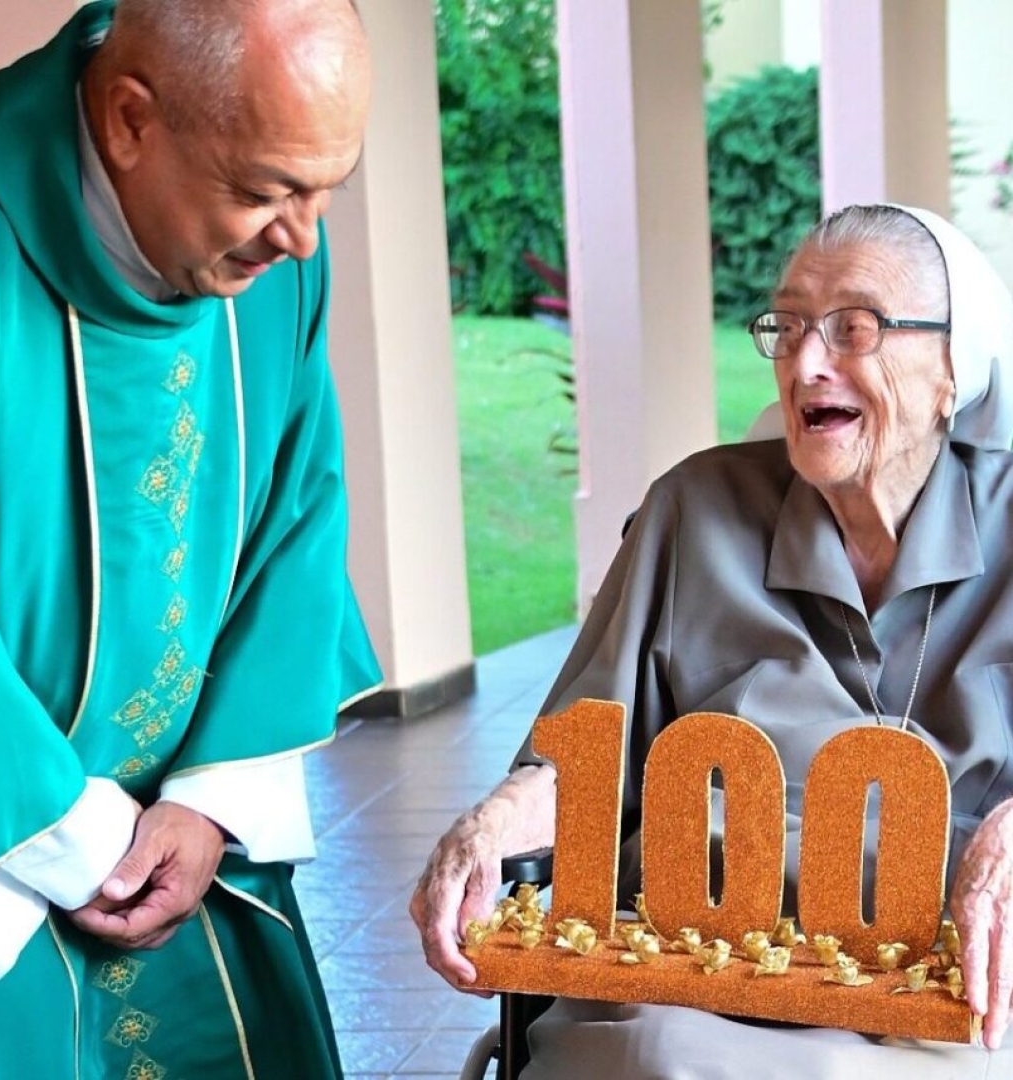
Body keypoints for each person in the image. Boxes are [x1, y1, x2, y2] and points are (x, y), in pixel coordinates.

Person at [410, 203, 1013, 1079]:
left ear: (954, 368)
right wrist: (489, 824)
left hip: (949, 974)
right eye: (789, 325)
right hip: (694, 965)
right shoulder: (692, 510)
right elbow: (579, 762)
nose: (807, 364)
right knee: (656, 1055)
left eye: (854, 329)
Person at [0, 0, 378, 1076]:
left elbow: (301, 516)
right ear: (131, 119)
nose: (304, 239)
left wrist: (212, 805)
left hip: (190, 853)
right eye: (268, 192)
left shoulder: (280, 252)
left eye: (328, 190)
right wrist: (74, 838)